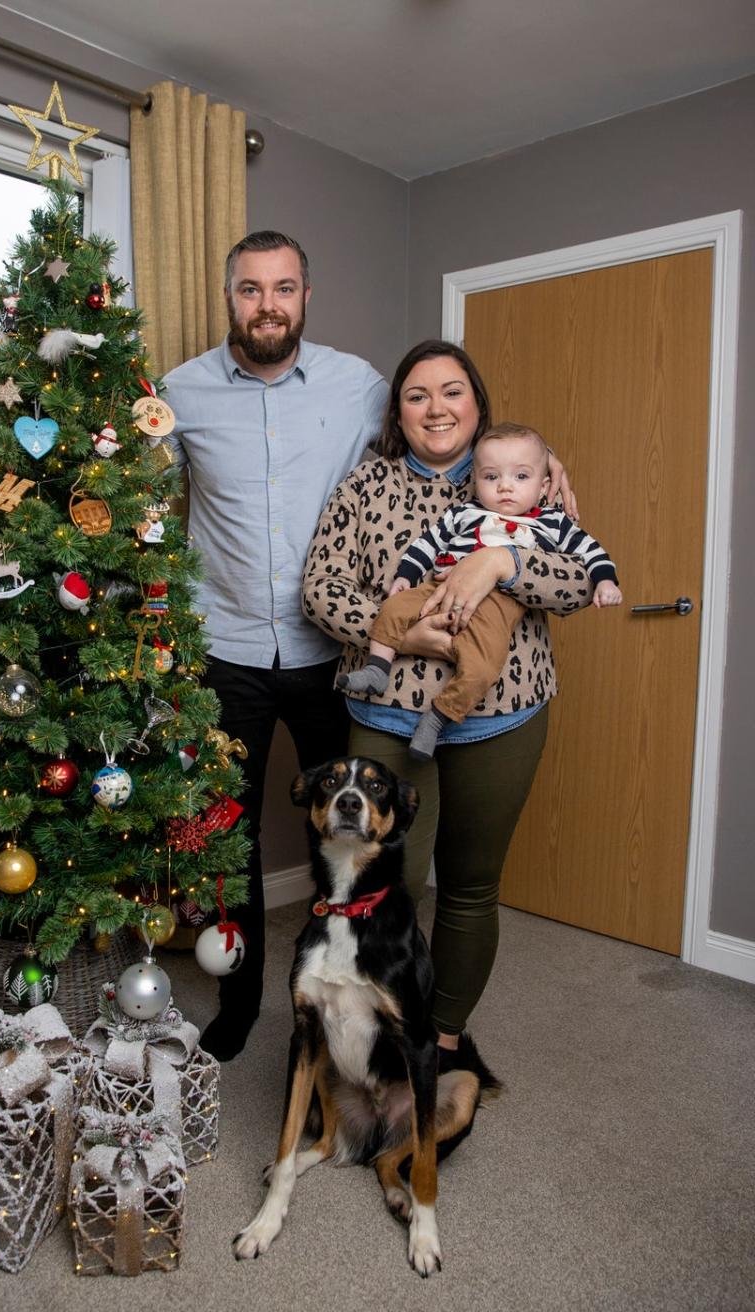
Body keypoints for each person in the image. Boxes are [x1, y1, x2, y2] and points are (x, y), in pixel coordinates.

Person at [302, 340, 592, 1065]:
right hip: (387, 722)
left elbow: (578, 584)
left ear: (477, 404)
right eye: (418, 394)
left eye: (453, 391)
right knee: (379, 888)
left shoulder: (521, 478)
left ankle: (443, 1038)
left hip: (502, 717)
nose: (437, 407)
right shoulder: (365, 488)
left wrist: (505, 557)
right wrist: (404, 630)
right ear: (398, 414)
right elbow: (320, 589)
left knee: (468, 887)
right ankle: (373, 1027)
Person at [161, 231, 390, 1061]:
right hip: (224, 653)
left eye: (284, 288)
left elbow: (442, 444)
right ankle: (240, 1000)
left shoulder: (358, 386)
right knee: (231, 836)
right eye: (252, 289)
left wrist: (541, 475)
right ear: (231, 296)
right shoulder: (180, 390)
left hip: (334, 655)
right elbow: (131, 497)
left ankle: (349, 987)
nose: (268, 305)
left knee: (344, 833)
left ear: (305, 295)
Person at [339, 421, 621, 758]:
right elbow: (427, 544)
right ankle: (377, 670)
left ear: (544, 484)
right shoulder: (464, 512)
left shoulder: (552, 521)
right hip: (438, 588)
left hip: (495, 606)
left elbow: (590, 553)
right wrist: (406, 574)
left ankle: (439, 717)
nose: (505, 487)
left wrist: (606, 581)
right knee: (394, 607)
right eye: (491, 477)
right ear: (477, 480)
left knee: (482, 667)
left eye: (520, 477)